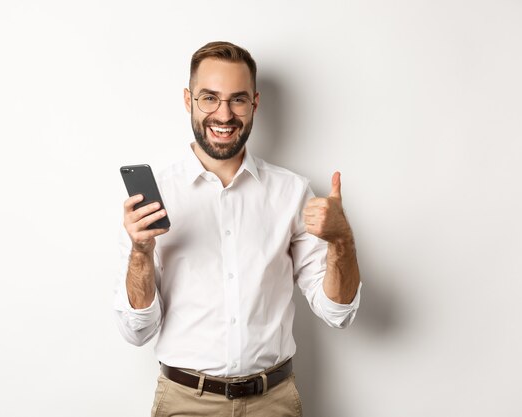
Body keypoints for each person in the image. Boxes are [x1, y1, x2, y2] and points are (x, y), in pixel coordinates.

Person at [114, 41, 361, 417]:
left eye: (238, 100)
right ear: (188, 100)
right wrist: (140, 254)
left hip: (273, 403)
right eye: (209, 98)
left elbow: (337, 313)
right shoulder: (153, 201)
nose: (224, 114)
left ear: (255, 104)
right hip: (184, 404)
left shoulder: (292, 192)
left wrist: (342, 240)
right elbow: (137, 331)